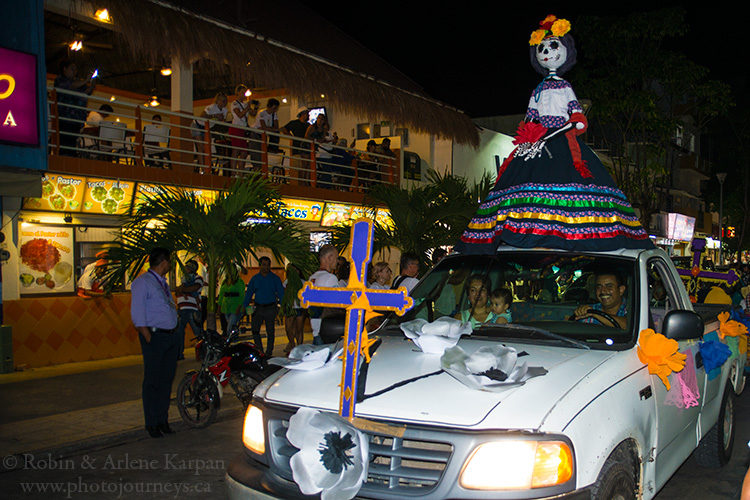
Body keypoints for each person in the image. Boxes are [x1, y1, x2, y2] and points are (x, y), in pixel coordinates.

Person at [455, 15, 653, 254]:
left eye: (553, 47)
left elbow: (577, 116)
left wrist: (565, 128)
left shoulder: (565, 87)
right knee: (522, 191)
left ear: (565, 52)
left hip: (562, 139)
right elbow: (530, 116)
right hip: (536, 140)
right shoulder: (538, 89)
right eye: (542, 48)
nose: (547, 52)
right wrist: (529, 137)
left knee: (571, 185)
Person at [130, 247, 178, 438]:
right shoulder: (143, 282)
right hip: (155, 336)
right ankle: (151, 423)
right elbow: (137, 313)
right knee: (153, 381)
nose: (170, 265)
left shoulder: (162, 282)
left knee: (166, 380)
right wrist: (148, 337)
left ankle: (162, 419)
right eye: (169, 262)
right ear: (164, 262)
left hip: (170, 336)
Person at [241, 256, 284, 357]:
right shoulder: (255, 279)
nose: (266, 267)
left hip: (271, 308)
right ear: (260, 266)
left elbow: (281, 294)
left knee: (270, 331)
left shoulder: (275, 278)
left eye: (268, 265)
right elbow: (249, 294)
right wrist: (244, 306)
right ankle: (259, 350)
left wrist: (283, 307)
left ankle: (269, 352)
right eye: (264, 265)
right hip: (258, 308)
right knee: (255, 330)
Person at [54, 59, 95, 156]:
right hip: (65, 117)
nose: (75, 71)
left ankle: (70, 158)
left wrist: (92, 85)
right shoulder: (60, 80)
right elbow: (70, 86)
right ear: (65, 69)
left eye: (76, 69)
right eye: (72, 69)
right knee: (65, 142)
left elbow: (86, 92)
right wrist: (86, 80)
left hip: (76, 118)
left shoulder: (77, 82)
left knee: (72, 142)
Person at [308, 244, 339, 345]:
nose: (337, 261)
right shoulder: (330, 278)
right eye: (336, 258)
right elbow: (336, 304)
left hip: (315, 329)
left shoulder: (312, 278)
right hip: (327, 330)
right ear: (329, 257)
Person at [175, 259, 205, 360]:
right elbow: (177, 291)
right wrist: (182, 290)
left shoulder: (198, 278)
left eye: (188, 267)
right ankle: (179, 354)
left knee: (198, 332)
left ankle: (203, 352)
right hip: (182, 308)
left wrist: (182, 289)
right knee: (179, 332)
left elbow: (195, 288)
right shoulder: (184, 279)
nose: (186, 269)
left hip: (192, 308)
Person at [281, 107, 311, 185]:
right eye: (307, 114)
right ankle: (301, 183)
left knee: (306, 166)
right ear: (303, 114)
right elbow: (283, 129)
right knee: (300, 166)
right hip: (297, 148)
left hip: (306, 148)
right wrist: (291, 136)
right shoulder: (294, 123)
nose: (308, 115)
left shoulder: (308, 125)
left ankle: (305, 182)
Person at [281, 264, 306, 353]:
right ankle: (292, 344)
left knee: (299, 330)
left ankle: (299, 348)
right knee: (288, 328)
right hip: (290, 308)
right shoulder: (286, 282)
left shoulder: (303, 282)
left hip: (300, 308)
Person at [229, 84, 252, 173]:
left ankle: (240, 172)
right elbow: (240, 114)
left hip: (243, 129)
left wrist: (254, 107)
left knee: (244, 152)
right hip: (236, 128)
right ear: (237, 93)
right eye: (242, 92)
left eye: (244, 93)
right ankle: (234, 172)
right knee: (236, 150)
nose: (243, 95)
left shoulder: (245, 104)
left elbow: (252, 114)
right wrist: (247, 108)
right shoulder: (234, 103)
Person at [218, 268, 245, 335]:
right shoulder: (225, 282)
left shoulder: (239, 282)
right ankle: (234, 337)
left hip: (235, 307)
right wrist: (219, 306)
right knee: (231, 326)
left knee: (230, 327)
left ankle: (229, 338)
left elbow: (242, 296)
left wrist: (239, 306)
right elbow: (221, 295)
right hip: (225, 307)